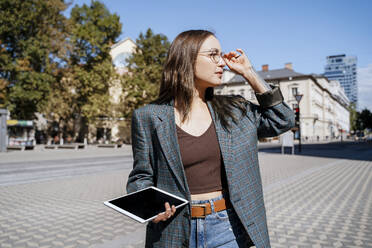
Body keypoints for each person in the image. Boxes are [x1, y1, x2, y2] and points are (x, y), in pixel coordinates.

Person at [127, 30, 295, 248]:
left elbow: (283, 120)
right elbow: (141, 175)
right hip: (173, 230)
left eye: (221, 54)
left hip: (228, 228)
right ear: (186, 59)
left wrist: (249, 73)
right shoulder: (148, 116)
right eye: (213, 55)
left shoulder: (236, 109)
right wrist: (149, 207)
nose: (222, 63)